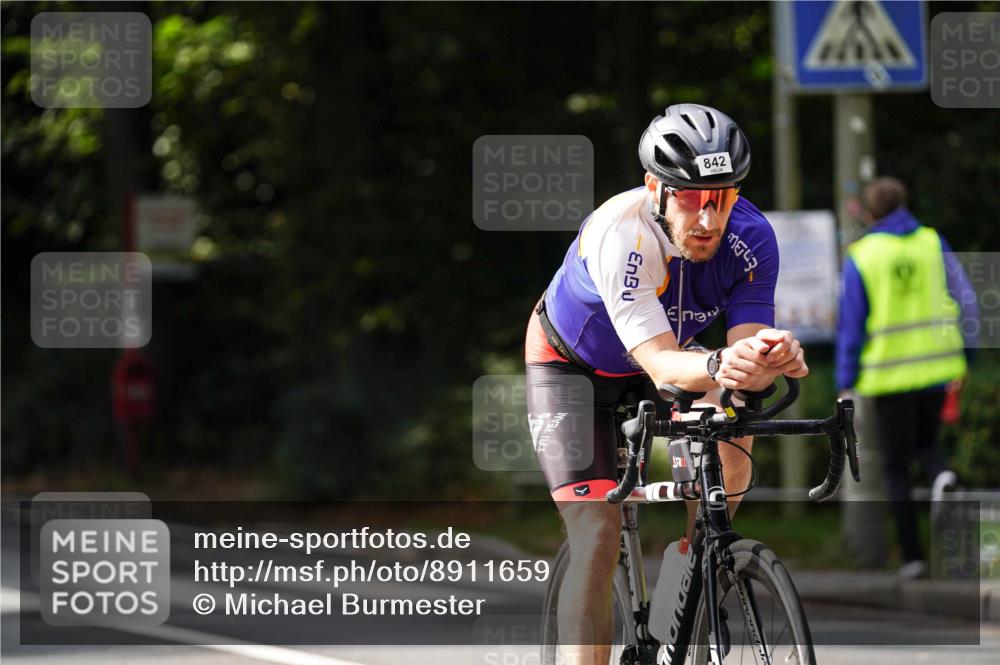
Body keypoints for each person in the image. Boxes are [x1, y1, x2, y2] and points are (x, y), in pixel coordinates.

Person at [524, 103, 808, 664]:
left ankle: (696, 565)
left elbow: (742, 354)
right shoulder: (621, 233)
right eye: (691, 198)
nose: (708, 219)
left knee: (733, 416)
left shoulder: (751, 237)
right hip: (574, 370)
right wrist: (726, 360)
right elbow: (661, 364)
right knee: (596, 536)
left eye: (722, 197)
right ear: (655, 187)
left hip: (675, 359)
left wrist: (770, 356)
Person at [835, 176, 978, 580]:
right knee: (929, 446)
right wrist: (966, 358)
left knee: (896, 468)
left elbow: (851, 325)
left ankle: (913, 559)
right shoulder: (933, 241)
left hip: (888, 377)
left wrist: (846, 380)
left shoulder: (862, 255)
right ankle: (942, 479)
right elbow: (966, 300)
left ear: (869, 212)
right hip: (939, 369)